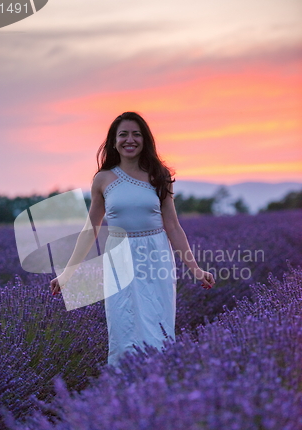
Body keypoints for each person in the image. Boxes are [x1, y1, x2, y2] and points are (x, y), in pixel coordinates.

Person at [50, 111, 215, 365]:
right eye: (123, 134)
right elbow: (91, 229)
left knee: (157, 326)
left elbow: (172, 226)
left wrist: (195, 269)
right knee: (123, 327)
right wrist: (67, 274)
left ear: (145, 139)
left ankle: (159, 388)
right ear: (113, 141)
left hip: (156, 256)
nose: (130, 140)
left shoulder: (159, 175)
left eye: (136, 134)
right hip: (119, 258)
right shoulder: (103, 179)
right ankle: (125, 392)